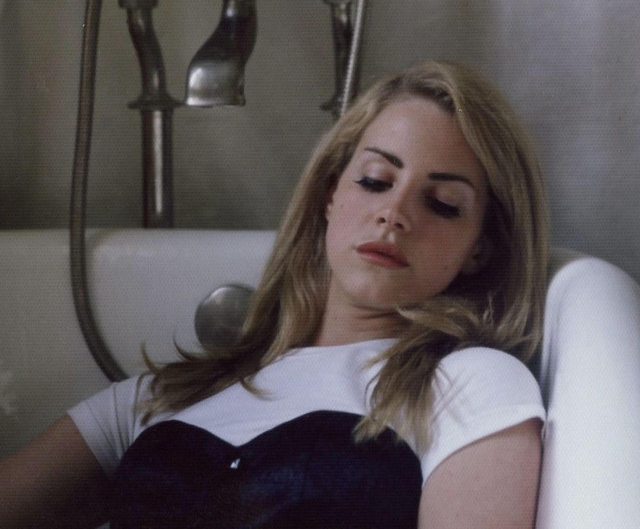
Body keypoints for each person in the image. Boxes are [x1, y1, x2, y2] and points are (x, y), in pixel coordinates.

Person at [0, 60, 548, 528]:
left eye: (443, 204)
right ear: (330, 193)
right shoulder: (162, 397)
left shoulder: (470, 385)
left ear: (480, 249)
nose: (394, 213)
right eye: (376, 181)